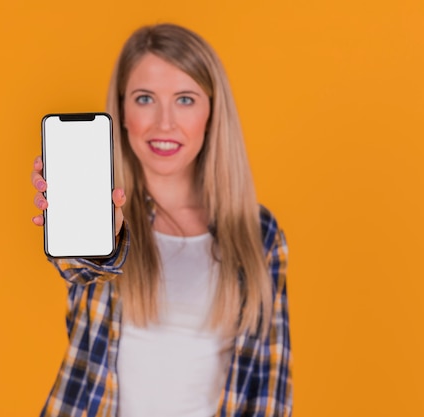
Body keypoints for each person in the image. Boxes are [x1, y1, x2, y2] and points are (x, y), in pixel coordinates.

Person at [31, 23, 292, 417]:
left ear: (212, 111)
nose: (164, 123)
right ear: (120, 111)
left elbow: (268, 387)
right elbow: (77, 268)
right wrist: (104, 235)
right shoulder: (107, 214)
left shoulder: (260, 233)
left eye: (185, 99)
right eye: (145, 98)